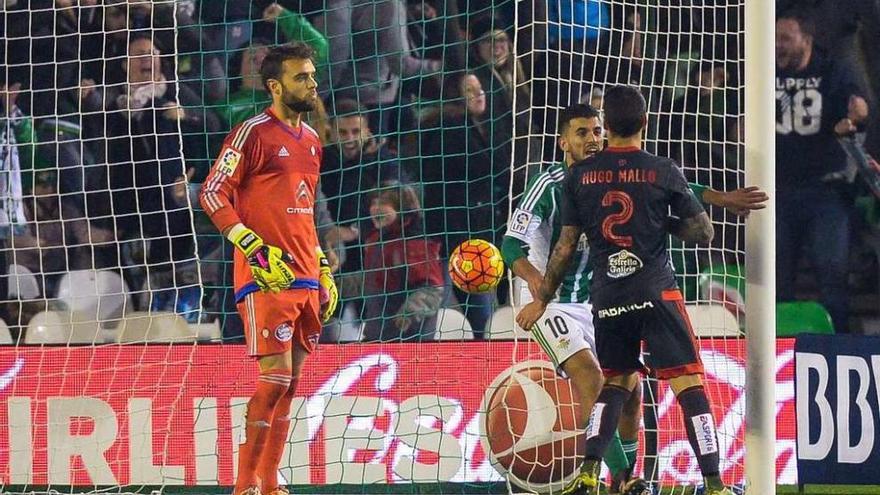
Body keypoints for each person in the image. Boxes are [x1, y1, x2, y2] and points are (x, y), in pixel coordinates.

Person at [502, 104, 766, 494]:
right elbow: (510, 245)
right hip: (553, 301)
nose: (591, 139)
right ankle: (627, 479)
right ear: (562, 141)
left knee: (629, 390)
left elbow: (667, 186)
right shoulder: (550, 183)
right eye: (581, 133)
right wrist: (541, 291)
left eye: (595, 131)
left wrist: (720, 197)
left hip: (600, 298)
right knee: (593, 376)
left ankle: (613, 478)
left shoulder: (601, 175)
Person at [198, 42, 339, 495]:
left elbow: (306, 210)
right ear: (276, 86)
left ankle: (270, 484)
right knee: (274, 378)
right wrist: (251, 246)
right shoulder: (253, 132)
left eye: (313, 76)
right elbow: (212, 193)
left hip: (305, 274)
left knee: (291, 384)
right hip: (266, 274)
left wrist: (322, 265)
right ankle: (244, 486)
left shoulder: (314, 141)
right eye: (302, 77)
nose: (312, 84)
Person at [775, 11, 869, 333]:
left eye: (785, 38)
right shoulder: (764, 72)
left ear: (806, 40)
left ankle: (839, 347)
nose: (777, 46)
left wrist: (855, 117)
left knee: (832, 274)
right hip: (779, 192)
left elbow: (859, 106)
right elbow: (738, 116)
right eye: (775, 38)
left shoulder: (832, 71)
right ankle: (776, 346)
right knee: (775, 278)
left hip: (825, 192)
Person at [360, 185, 445, 342]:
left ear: (401, 209)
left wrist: (409, 313)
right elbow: (373, 280)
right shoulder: (375, 240)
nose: (375, 208)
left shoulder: (415, 243)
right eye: (373, 202)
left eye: (384, 203)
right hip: (377, 334)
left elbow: (432, 289)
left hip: (409, 338)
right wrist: (340, 286)